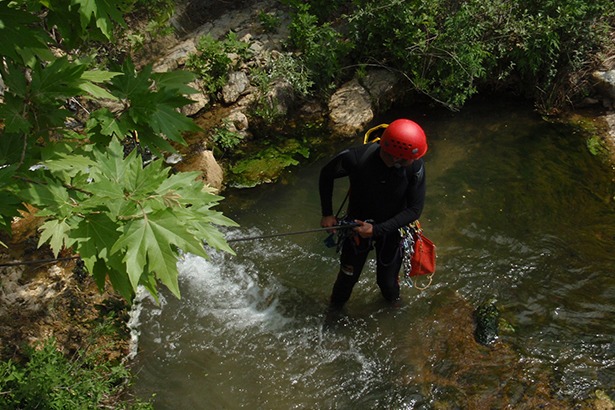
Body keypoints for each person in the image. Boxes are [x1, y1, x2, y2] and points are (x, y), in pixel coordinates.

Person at [319, 118, 428, 309]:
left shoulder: (415, 168)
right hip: (356, 228)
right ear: (396, 157)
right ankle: (333, 313)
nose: (416, 160)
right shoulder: (356, 159)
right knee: (347, 279)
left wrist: (377, 229)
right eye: (412, 158)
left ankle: (394, 313)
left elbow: (414, 210)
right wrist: (327, 214)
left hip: (392, 229)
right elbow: (326, 175)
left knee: (387, 283)